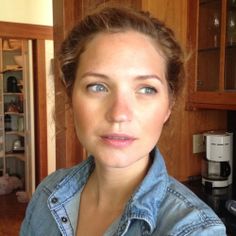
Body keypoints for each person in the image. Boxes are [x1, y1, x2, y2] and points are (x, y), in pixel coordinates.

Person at [20, 6, 226, 236]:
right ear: (70, 97)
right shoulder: (47, 193)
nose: (119, 114)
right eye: (97, 87)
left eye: (146, 89)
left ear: (169, 106)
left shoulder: (194, 230)